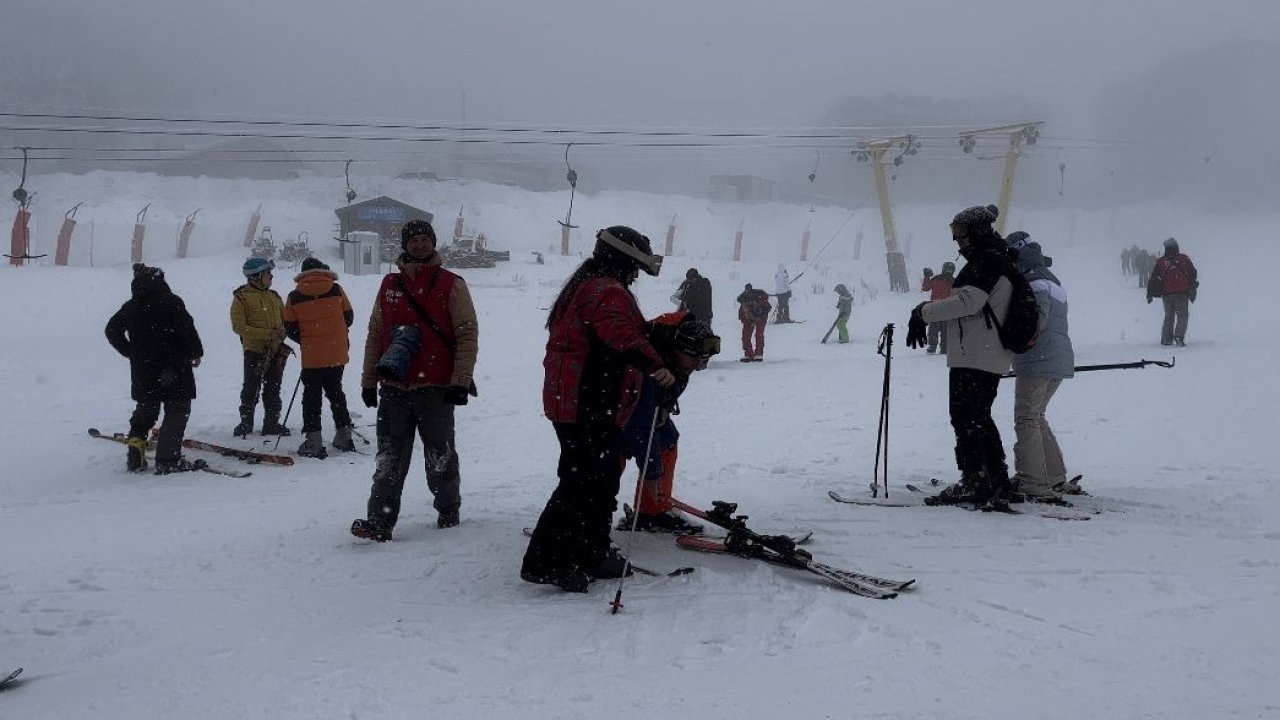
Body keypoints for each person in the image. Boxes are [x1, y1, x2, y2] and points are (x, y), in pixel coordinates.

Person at [521, 226, 673, 593]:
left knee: (600, 477)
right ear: (621, 260)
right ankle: (546, 561)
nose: (636, 275)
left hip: (585, 397)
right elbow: (623, 336)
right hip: (585, 399)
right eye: (634, 267)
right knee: (582, 481)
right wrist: (658, 368)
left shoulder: (591, 285)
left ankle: (592, 550)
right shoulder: (605, 290)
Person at [350, 219, 479, 542]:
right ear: (405, 245)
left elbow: (466, 334)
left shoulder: (452, 283)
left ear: (433, 243)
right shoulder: (390, 284)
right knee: (388, 459)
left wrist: (460, 381)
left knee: (440, 456)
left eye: (425, 239)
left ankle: (448, 509)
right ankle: (379, 521)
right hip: (394, 387)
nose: (419, 245)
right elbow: (375, 334)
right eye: (414, 240)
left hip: (436, 388)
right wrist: (369, 380)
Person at [906, 204, 1016, 508]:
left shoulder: (986, 260)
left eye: (961, 235)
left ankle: (974, 480)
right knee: (979, 416)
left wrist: (923, 312)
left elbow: (968, 302)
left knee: (966, 417)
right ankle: (995, 477)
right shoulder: (997, 257)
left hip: (976, 352)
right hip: (985, 350)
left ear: (977, 233)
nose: (957, 243)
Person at [616, 312, 720, 534]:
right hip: (608, 407)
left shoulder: (679, 355)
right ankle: (583, 518)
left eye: (703, 362)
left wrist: (665, 404)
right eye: (695, 360)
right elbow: (640, 426)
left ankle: (650, 512)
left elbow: (678, 380)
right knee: (611, 455)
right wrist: (652, 474)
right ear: (680, 350)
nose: (696, 367)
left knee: (667, 441)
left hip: (640, 408)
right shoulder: (649, 363)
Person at [105, 264, 204, 474]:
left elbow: (111, 329)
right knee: (177, 410)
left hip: (144, 370)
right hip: (174, 367)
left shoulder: (131, 306)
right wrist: (195, 351)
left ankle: (135, 457)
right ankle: (168, 459)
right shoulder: (171, 302)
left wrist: (131, 352)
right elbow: (187, 328)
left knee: (145, 410)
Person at [1004, 232, 1075, 499]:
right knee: (1036, 416)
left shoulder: (1031, 278)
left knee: (1026, 418)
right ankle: (1053, 476)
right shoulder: (1048, 276)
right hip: (1056, 356)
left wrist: (1015, 343)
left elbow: (1036, 319)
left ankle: (1032, 481)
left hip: (1038, 358)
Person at [283, 257, 357, 459]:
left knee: (311, 397)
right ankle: (344, 435)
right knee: (336, 392)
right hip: (336, 352)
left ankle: (314, 442)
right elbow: (349, 317)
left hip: (312, 355)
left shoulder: (295, 295)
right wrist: (334, 334)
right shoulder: (336, 290)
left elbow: (289, 327)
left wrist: (308, 339)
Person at [230, 257, 291, 437]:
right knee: (251, 387)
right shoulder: (241, 298)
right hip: (254, 352)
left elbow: (285, 320)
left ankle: (271, 424)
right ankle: (245, 423)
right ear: (256, 276)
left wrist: (283, 332)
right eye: (268, 274)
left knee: (274, 387)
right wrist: (267, 334)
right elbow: (238, 327)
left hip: (276, 351)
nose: (271, 277)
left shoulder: (275, 296)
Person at [1146, 237, 1198, 347]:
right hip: (1182, 292)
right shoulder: (1184, 258)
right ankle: (1179, 335)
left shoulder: (1160, 262)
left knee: (1169, 315)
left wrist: (1150, 293)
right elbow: (1193, 273)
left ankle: (1166, 338)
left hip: (1167, 293)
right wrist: (1192, 286)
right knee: (1182, 315)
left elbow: (1154, 277)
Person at [920, 262, 956, 353]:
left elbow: (959, 293)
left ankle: (945, 347)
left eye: (950, 270)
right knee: (933, 327)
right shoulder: (936, 279)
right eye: (947, 269)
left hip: (947, 307)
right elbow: (926, 287)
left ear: (953, 271)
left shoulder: (954, 282)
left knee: (946, 328)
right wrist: (927, 277)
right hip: (935, 306)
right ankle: (932, 346)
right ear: (943, 269)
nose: (948, 272)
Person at [736, 283, 771, 361]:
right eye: (746, 303)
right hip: (749, 319)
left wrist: (757, 318)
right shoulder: (743, 307)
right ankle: (748, 354)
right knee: (745, 335)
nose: (748, 303)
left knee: (759, 334)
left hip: (762, 317)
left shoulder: (760, 301)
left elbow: (766, 309)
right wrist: (748, 321)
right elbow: (742, 317)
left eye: (750, 302)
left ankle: (758, 354)